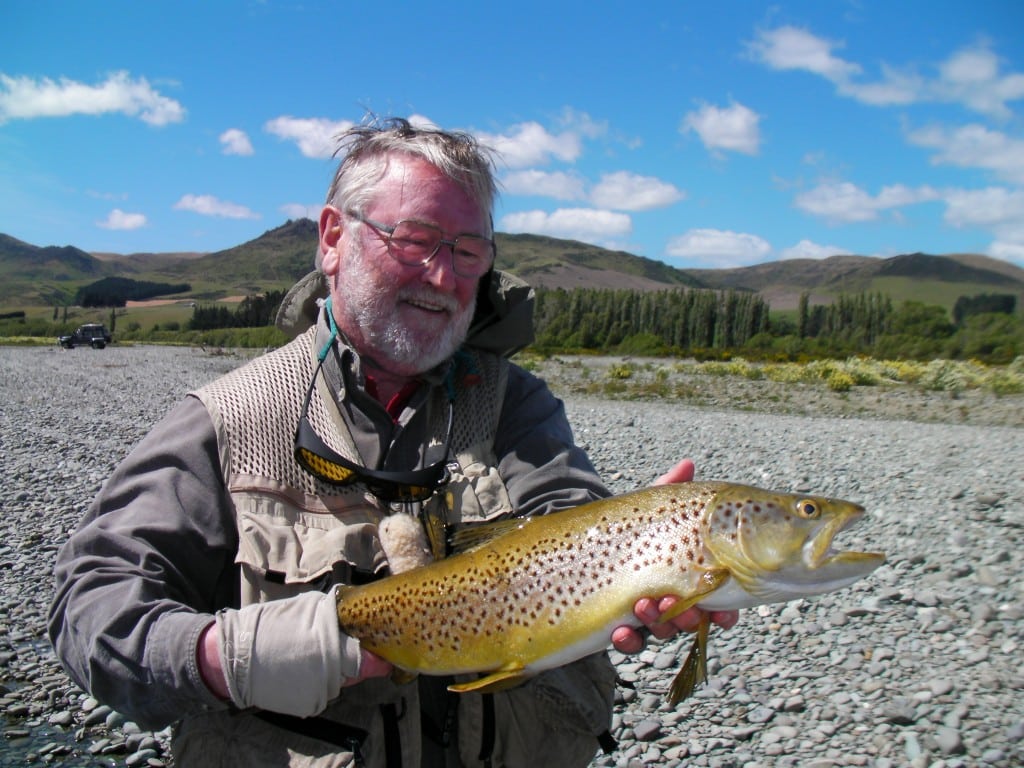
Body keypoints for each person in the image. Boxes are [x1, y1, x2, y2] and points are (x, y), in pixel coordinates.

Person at [49, 117, 737, 768]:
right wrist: (226, 655)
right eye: (413, 240)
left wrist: (638, 554)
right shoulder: (230, 420)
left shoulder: (514, 406)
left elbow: (564, 505)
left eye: (467, 253)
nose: (443, 277)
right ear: (332, 239)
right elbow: (91, 604)